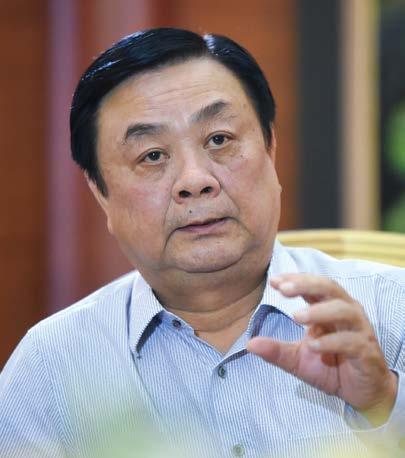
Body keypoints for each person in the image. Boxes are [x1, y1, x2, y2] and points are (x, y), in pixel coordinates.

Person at [0, 28, 404, 458]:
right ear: (101, 193)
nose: (195, 180)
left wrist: (385, 402)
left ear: (270, 149)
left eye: (219, 139)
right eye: (152, 155)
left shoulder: (393, 311)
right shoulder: (50, 368)